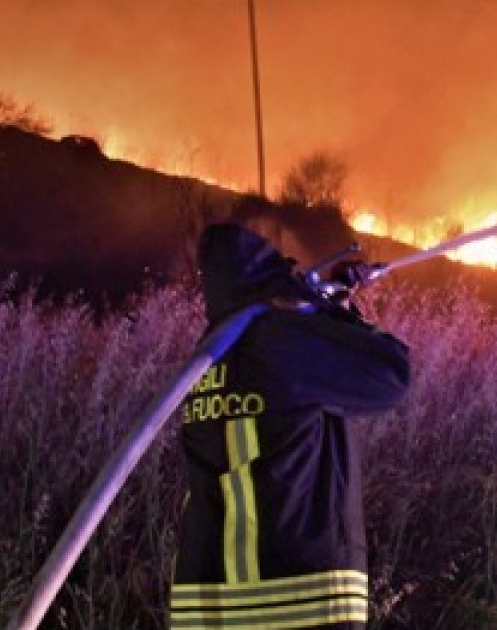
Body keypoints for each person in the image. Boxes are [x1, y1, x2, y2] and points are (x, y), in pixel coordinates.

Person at [169, 221, 411, 630]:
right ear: (273, 279)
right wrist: (333, 311)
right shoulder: (279, 341)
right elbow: (390, 374)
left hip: (209, 603)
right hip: (296, 597)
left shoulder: (208, 357)